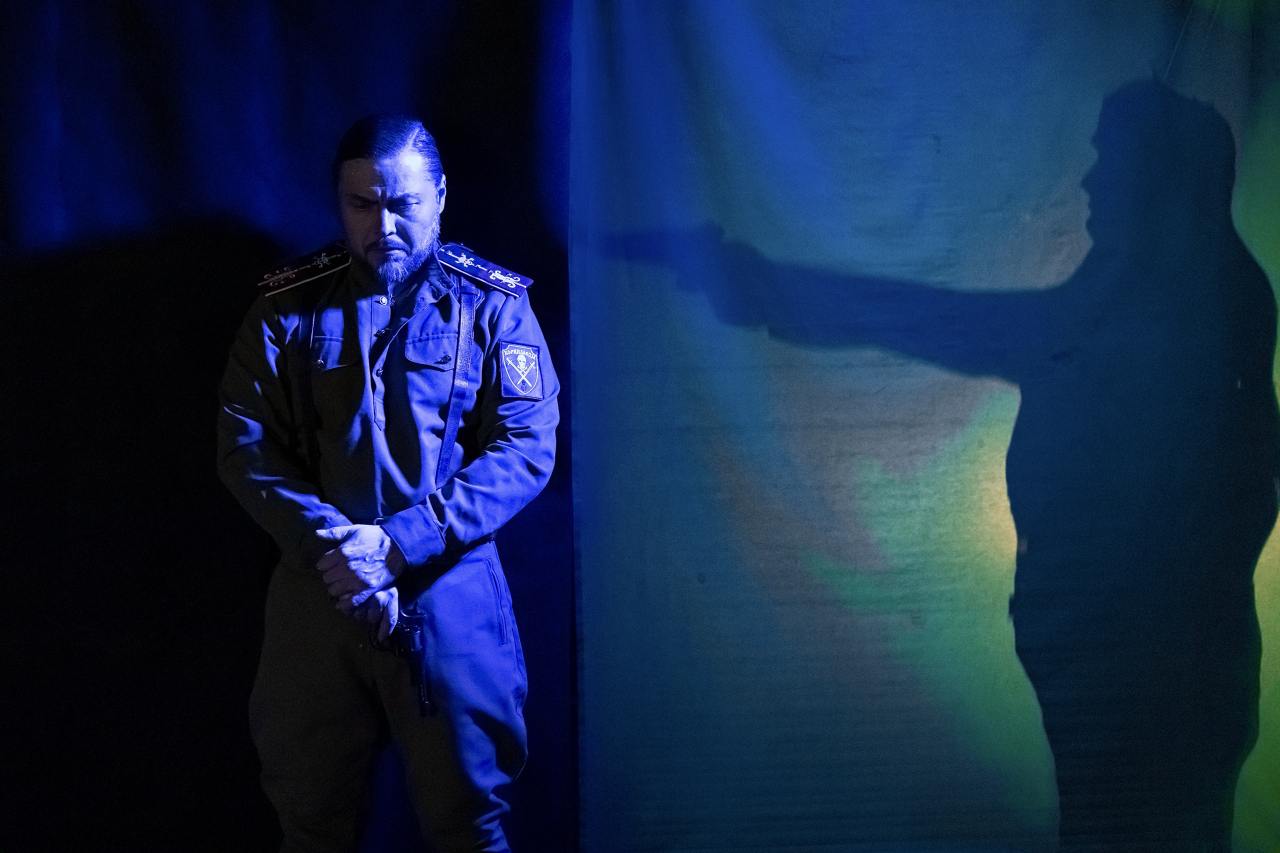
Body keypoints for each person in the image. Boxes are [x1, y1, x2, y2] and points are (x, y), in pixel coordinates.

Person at [217, 114, 558, 852]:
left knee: (471, 823)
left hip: (448, 592)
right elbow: (246, 445)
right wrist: (337, 550)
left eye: (403, 203)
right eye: (362, 204)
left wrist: (400, 544)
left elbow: (526, 446)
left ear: (441, 196)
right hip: (320, 589)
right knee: (308, 821)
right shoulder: (286, 307)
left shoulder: (492, 305)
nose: (384, 225)